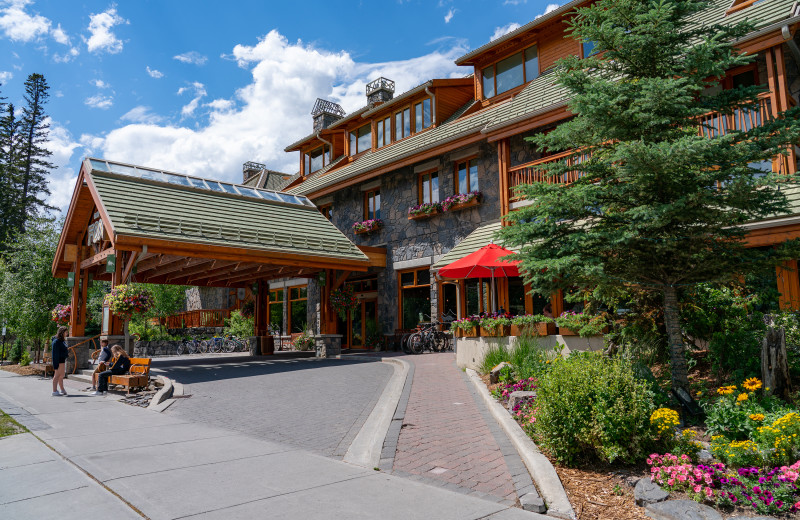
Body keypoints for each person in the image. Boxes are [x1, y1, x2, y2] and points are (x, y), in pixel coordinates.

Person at [51, 326, 69, 396]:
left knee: (61, 375)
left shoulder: (62, 341)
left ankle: (62, 389)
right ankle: (54, 391)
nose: (67, 334)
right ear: (62, 332)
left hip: (62, 360)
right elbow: (55, 354)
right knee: (57, 375)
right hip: (59, 361)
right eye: (66, 332)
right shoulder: (56, 342)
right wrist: (56, 365)